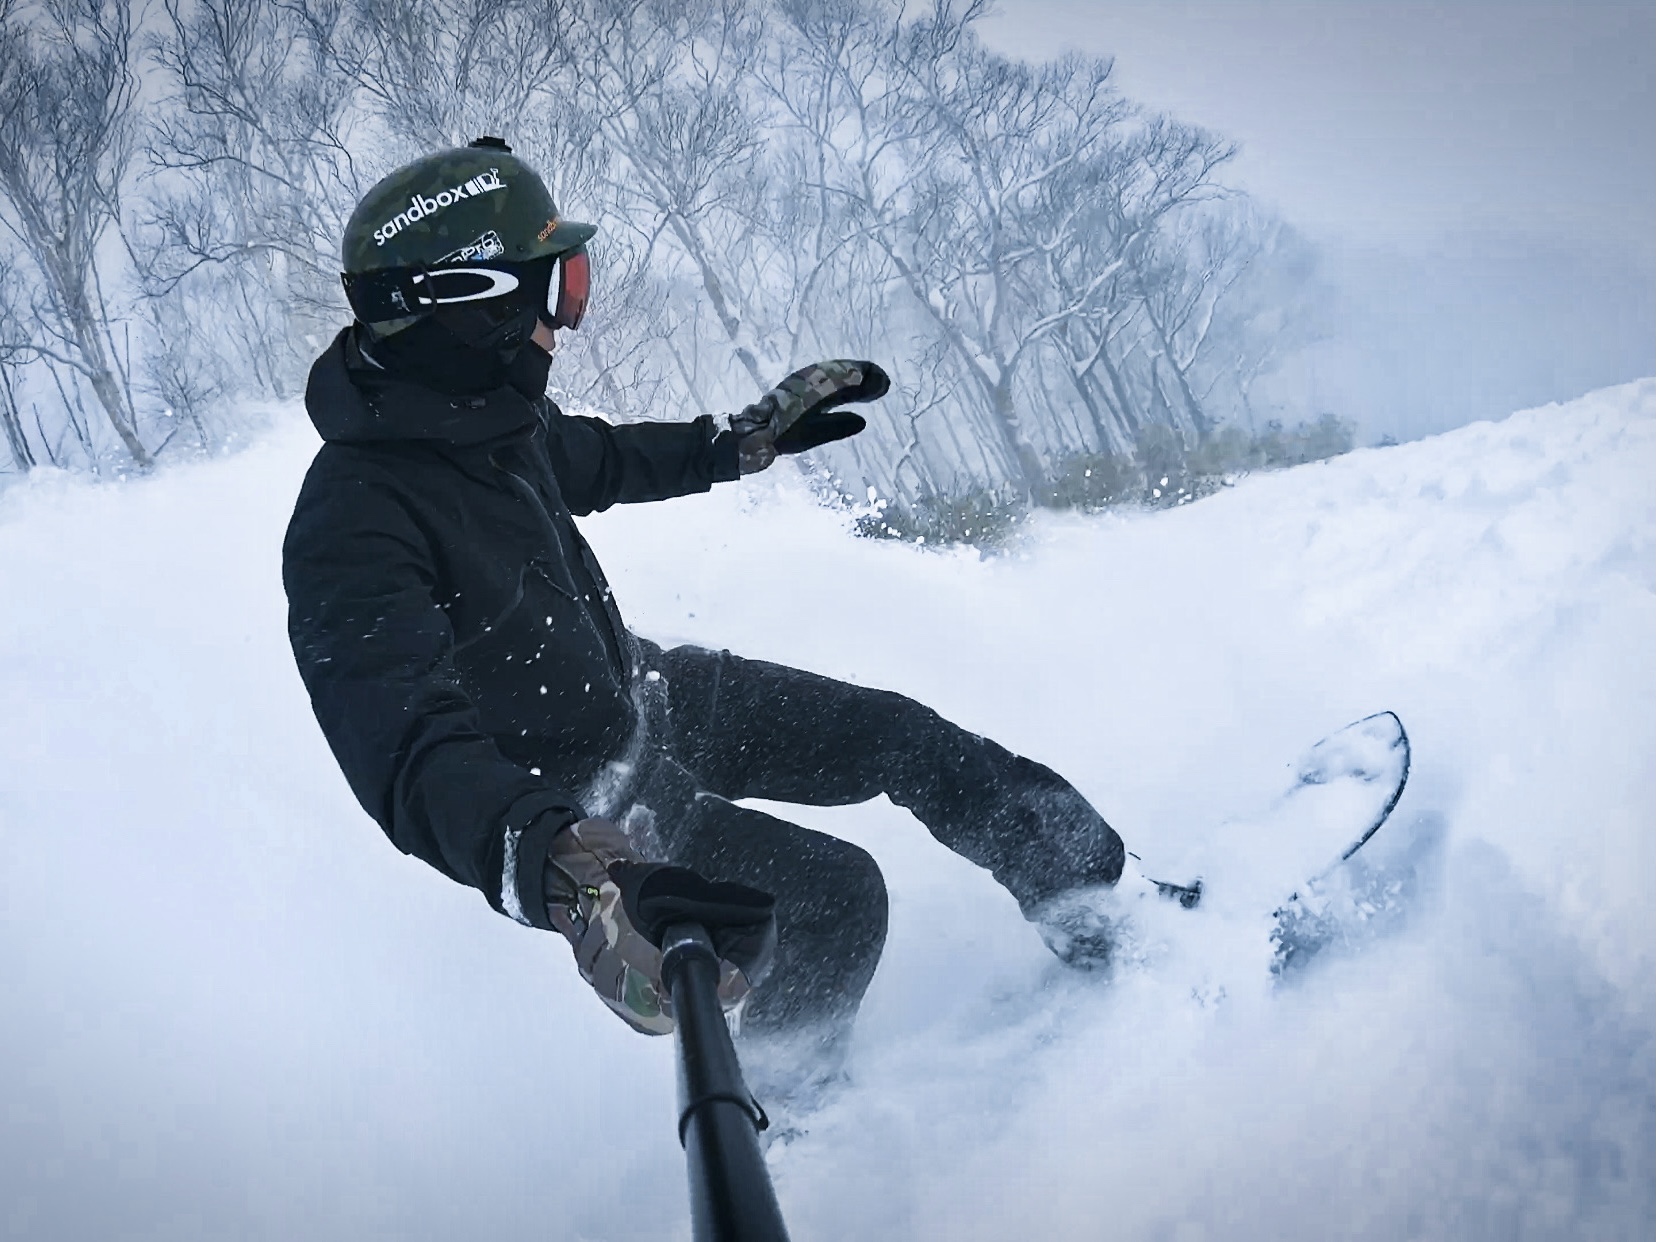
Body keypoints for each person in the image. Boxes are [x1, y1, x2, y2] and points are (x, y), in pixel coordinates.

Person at [283, 138, 1144, 1089]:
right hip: (590, 798)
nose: (566, 321)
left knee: (904, 736)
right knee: (837, 895)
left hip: (649, 692)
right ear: (469, 305)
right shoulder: (351, 520)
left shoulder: (485, 421)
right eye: (556, 290)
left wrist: (741, 442)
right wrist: (562, 872)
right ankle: (801, 1115)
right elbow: (405, 748)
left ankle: (1101, 906)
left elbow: (600, 460)